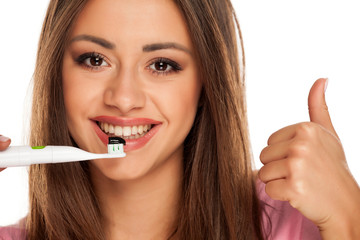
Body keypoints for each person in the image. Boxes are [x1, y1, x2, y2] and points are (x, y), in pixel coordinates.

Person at [0, 0, 359, 239]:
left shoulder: (299, 221)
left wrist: (349, 220)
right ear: (56, 76)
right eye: (95, 60)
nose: (123, 98)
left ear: (206, 83)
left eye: (161, 65)